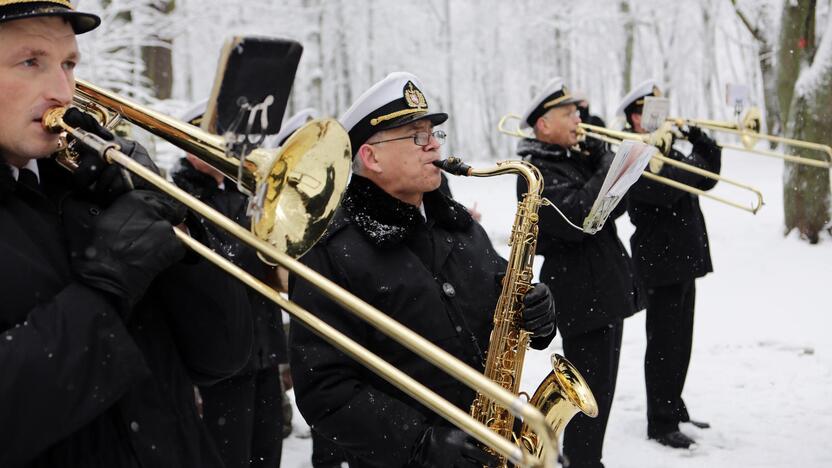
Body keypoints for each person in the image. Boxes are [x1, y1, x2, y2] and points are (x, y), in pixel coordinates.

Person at [0, 2, 253, 466]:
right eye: (30, 61)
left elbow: (224, 355)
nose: (63, 91)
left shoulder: (83, 187)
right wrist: (106, 287)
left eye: (69, 64)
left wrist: (174, 226)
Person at [289, 71, 557, 468]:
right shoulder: (331, 251)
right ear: (371, 156)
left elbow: (503, 299)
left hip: (492, 441)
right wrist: (420, 443)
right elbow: (325, 391)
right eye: (416, 135)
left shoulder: (458, 224)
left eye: (433, 133)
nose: (433, 144)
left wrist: (537, 310)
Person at [514, 77, 643, 468]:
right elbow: (582, 217)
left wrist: (603, 162)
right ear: (543, 126)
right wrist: (608, 161)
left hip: (604, 287)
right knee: (587, 394)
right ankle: (584, 461)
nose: (578, 119)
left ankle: (589, 458)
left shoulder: (574, 156)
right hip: (580, 294)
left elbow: (609, 210)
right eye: (567, 113)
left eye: (577, 111)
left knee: (603, 387)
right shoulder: (534, 171)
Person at [172, 101, 288, 468]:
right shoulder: (176, 194)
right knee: (227, 458)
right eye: (211, 138)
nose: (225, 146)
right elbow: (211, 264)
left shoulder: (248, 190)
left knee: (267, 454)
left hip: (264, 348)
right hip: (219, 360)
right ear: (190, 147)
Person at [617, 79, 719, 449]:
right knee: (663, 344)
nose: (662, 118)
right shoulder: (631, 152)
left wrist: (699, 138)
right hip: (659, 260)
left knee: (682, 340)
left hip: (685, 256)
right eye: (652, 112)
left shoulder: (666, 147)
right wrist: (685, 164)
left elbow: (707, 176)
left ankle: (674, 405)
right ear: (635, 116)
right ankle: (660, 422)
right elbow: (666, 188)